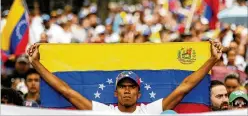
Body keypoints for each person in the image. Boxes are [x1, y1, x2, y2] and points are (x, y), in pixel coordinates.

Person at [27, 40, 223, 114]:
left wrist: (212, 61)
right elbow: (66, 91)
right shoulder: (103, 111)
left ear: (139, 93)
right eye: (123, 86)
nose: (127, 90)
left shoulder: (149, 111)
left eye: (131, 87)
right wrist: (36, 63)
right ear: (116, 92)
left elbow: (184, 88)